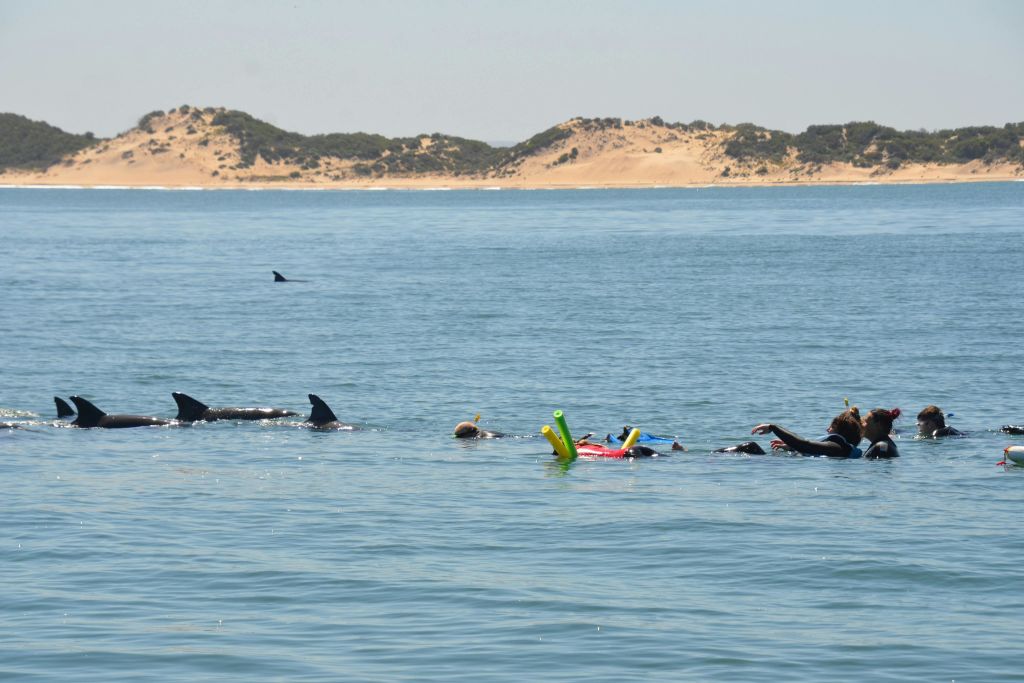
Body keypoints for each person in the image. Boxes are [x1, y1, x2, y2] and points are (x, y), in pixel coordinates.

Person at [751, 408, 864, 458]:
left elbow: (804, 444)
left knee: (750, 447)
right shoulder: (841, 449)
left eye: (832, 427)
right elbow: (807, 447)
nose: (827, 430)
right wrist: (792, 448)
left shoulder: (836, 446)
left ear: (842, 432)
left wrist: (773, 427)